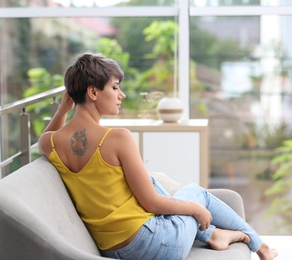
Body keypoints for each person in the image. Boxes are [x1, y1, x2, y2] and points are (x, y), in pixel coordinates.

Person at [38, 53, 278, 260]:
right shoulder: (117, 138)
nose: (121, 95)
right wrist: (196, 209)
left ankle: (214, 235)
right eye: (114, 87)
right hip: (155, 245)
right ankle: (261, 246)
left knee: (152, 180)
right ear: (92, 91)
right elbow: (151, 203)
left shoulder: (52, 144)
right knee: (197, 193)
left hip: (112, 249)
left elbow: (46, 136)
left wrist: (64, 108)